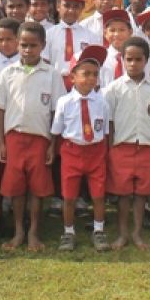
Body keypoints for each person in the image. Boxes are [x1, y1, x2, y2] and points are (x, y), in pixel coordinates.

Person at [0, 22, 65, 252]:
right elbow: (0, 108)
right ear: (17, 44)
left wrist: (53, 145)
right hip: (14, 138)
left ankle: (34, 231)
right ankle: (18, 231)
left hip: (40, 138)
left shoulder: (51, 74)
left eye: (33, 45)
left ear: (43, 46)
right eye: (23, 45)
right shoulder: (8, 73)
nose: (27, 50)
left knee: (37, 188)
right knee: (16, 187)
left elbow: (57, 111)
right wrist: (2, 142)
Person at [104, 36, 150, 250]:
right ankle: (122, 234)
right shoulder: (113, 89)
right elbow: (109, 122)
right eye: (129, 59)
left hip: (147, 148)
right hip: (122, 148)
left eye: (138, 59)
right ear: (122, 59)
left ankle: (137, 233)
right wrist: (111, 147)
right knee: (122, 195)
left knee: (141, 195)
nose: (133, 64)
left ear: (146, 61)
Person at [51, 44, 112, 252]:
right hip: (72, 151)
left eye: (95, 74)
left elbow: (105, 131)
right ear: (72, 77)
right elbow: (57, 130)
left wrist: (105, 152)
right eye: (85, 74)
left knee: (98, 194)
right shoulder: (64, 102)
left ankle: (99, 229)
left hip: (95, 151)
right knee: (69, 196)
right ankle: (68, 232)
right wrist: (53, 150)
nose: (90, 79)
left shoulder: (102, 102)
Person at [45, 0, 99, 71]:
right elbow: (45, 63)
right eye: (66, 5)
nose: (71, 10)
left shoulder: (91, 37)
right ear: (58, 6)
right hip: (55, 82)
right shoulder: (48, 34)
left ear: (82, 8)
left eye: (76, 6)